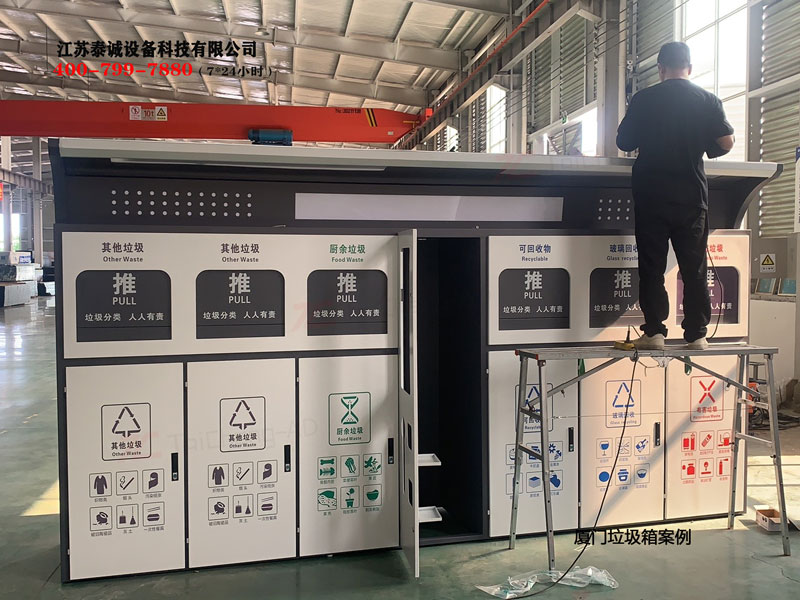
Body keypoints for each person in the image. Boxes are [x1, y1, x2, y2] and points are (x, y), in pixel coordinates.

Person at [616, 42, 735, 350]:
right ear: (690, 68)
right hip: (691, 197)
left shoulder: (645, 99)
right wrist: (701, 144)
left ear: (660, 69)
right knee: (694, 268)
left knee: (652, 266)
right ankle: (696, 334)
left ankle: (655, 332)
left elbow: (624, 141)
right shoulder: (707, 100)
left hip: (651, 195)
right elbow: (726, 142)